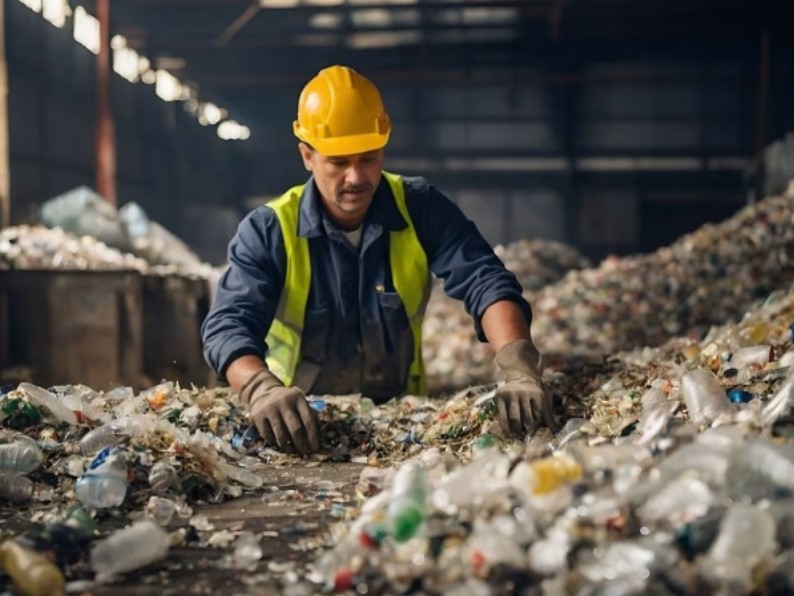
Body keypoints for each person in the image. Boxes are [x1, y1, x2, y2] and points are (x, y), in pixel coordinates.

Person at [201, 65, 555, 455]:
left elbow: (486, 280)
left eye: (368, 159)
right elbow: (228, 324)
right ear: (307, 155)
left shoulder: (420, 208)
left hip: (401, 426)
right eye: (338, 162)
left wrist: (519, 367)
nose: (356, 177)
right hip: (302, 428)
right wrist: (260, 389)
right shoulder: (270, 230)